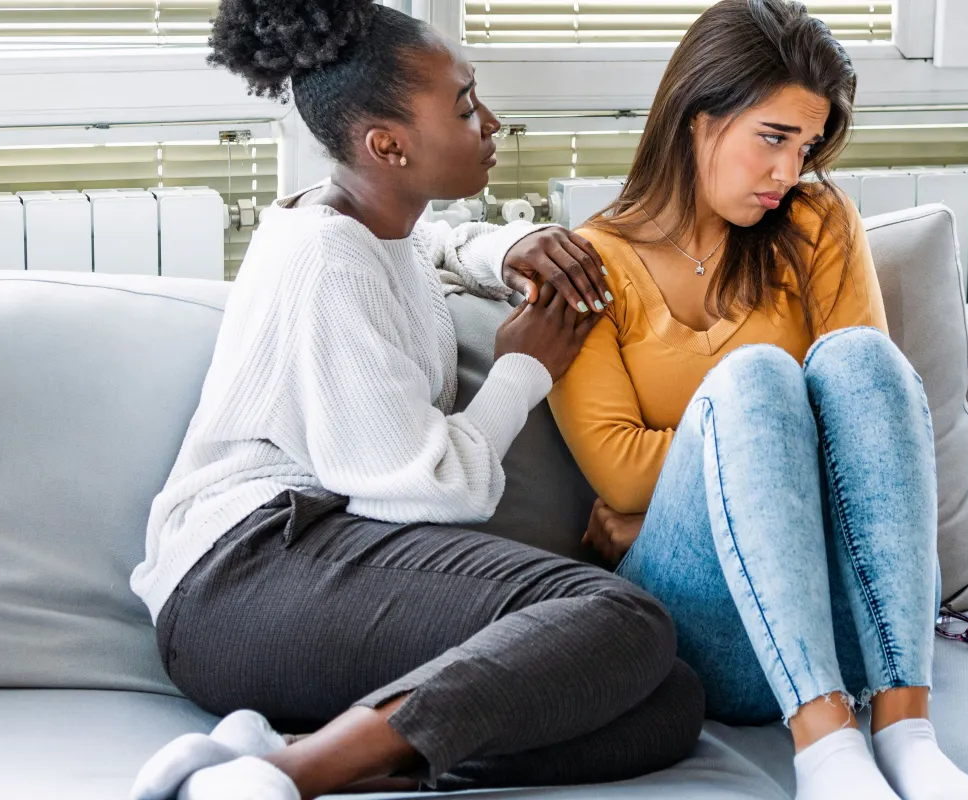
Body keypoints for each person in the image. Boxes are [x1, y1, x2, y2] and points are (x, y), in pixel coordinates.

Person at [125, 1, 704, 798]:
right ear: (386, 146)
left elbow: (429, 249)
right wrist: (522, 370)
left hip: (296, 579)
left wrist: (506, 246)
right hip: (244, 578)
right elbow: (432, 488)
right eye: (465, 107)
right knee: (622, 619)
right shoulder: (327, 263)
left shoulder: (366, 222)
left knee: (666, 701)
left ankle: (294, 754)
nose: (492, 122)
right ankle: (290, 775)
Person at [546, 2, 968, 799]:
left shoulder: (817, 222)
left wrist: (704, 477)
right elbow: (615, 472)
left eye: (807, 145)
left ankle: (905, 733)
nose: (789, 173)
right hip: (708, 630)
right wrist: (754, 441)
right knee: (756, 381)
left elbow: (866, 430)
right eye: (773, 138)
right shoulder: (592, 264)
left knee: (859, 358)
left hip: (859, 624)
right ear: (696, 117)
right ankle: (826, 753)